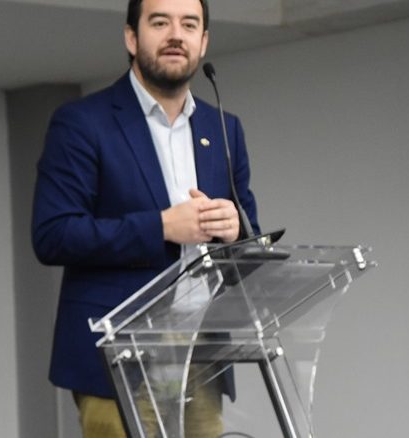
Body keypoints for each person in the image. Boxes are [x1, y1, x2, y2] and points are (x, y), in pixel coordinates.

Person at [31, 0, 260, 436]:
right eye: (160, 22)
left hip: (200, 351)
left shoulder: (224, 128)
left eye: (189, 25)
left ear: (203, 42)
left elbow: (249, 235)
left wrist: (236, 229)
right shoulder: (82, 122)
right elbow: (53, 234)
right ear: (132, 38)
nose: (176, 35)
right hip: (119, 352)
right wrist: (161, 227)